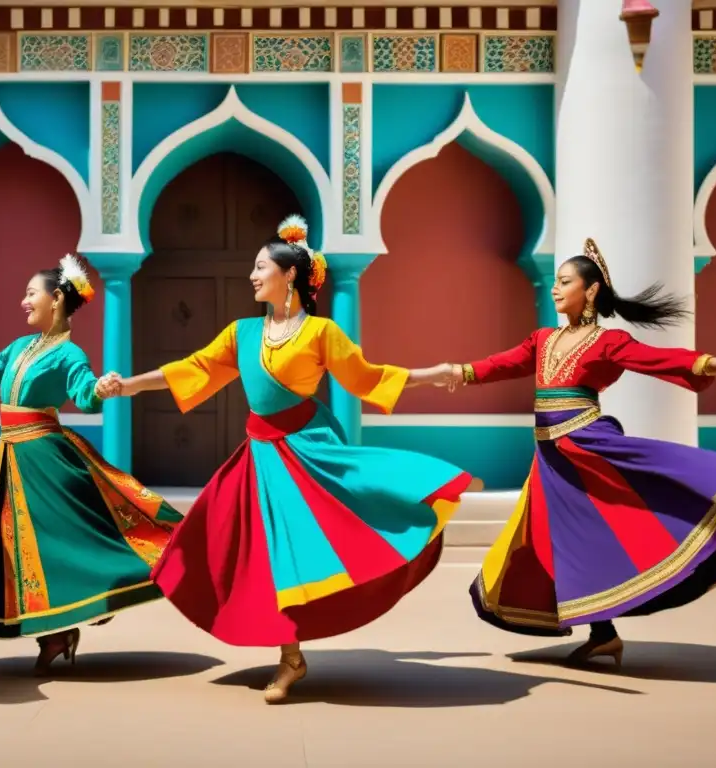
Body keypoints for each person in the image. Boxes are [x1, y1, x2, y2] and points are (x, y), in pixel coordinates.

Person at [106, 215, 480, 704]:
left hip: (307, 453)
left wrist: (433, 374)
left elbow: (368, 377)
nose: (252, 276)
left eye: (261, 267)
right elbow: (191, 368)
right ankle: (293, 655)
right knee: (236, 549)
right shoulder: (241, 333)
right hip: (257, 458)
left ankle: (290, 658)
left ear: (289, 277)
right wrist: (128, 385)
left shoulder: (321, 333)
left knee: (296, 556)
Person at [439, 238, 716, 667]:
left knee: (600, 532)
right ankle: (603, 633)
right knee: (564, 542)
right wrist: (457, 373)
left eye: (565, 282)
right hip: (551, 459)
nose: (555, 288)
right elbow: (502, 364)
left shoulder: (608, 342)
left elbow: (665, 360)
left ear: (591, 291)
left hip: (587, 446)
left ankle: (606, 628)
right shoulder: (543, 339)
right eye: (556, 281)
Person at [0, 255, 183, 674]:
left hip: (47, 461)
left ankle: (91, 604)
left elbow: (84, 394)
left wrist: (101, 389)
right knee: (22, 548)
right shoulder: (20, 347)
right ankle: (55, 633)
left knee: (59, 543)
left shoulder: (69, 354)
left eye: (31, 293)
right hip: (12, 459)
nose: (23, 302)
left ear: (57, 300)